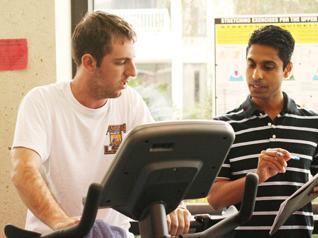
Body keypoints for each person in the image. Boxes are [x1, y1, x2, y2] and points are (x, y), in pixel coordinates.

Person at [10, 11, 190, 237]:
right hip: (56, 234)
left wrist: (175, 204)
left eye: (132, 61)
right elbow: (23, 170)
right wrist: (61, 222)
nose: (132, 72)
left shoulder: (129, 102)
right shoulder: (42, 102)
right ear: (89, 62)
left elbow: (160, 162)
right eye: (121, 62)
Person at [207, 25, 318, 237]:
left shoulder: (315, 123)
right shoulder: (223, 127)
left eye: (268, 67)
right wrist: (257, 177)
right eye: (251, 65)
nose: (256, 75)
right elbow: (215, 199)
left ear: (287, 69)